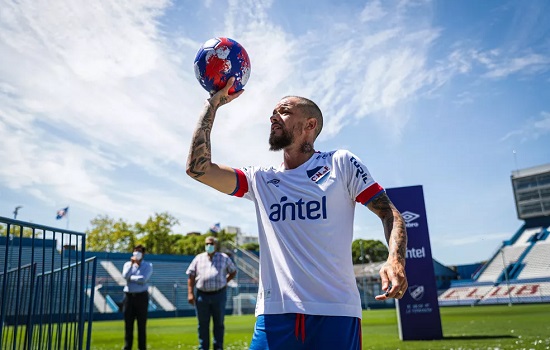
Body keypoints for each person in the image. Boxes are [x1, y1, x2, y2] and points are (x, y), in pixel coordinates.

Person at [186, 77, 408, 350]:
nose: (273, 117)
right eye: (272, 113)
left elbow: (391, 213)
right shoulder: (260, 179)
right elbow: (198, 169)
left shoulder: (341, 164)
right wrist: (212, 105)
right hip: (274, 315)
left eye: (284, 110)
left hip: (335, 312)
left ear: (310, 125)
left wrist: (395, 260)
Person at [187, 236, 237, 350]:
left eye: (211, 244)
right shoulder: (198, 258)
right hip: (202, 295)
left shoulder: (224, 258)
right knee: (202, 324)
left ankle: (218, 347)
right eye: (207, 244)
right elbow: (191, 275)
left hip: (219, 294)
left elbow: (233, 271)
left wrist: (225, 281)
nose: (209, 246)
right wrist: (190, 293)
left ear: (216, 245)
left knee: (219, 323)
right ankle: (203, 347)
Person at [121, 245, 153, 350]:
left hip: (141, 297)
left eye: (139, 251)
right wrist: (131, 265)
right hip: (129, 297)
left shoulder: (148, 266)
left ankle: (142, 348)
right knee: (128, 325)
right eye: (135, 251)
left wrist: (131, 278)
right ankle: (127, 347)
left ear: (143, 253)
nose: (136, 253)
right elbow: (125, 276)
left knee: (141, 325)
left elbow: (143, 279)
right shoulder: (127, 265)